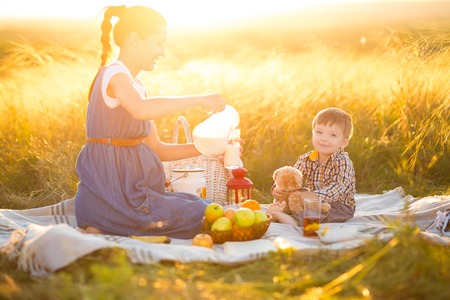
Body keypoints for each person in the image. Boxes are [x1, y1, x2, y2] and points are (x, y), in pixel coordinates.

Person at [74, 5, 229, 239]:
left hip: (134, 193)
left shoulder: (136, 86)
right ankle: (107, 220)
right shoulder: (115, 75)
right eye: (159, 43)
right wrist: (198, 99)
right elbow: (141, 110)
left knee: (198, 203)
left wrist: (210, 149)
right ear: (135, 39)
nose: (163, 52)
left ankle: (105, 224)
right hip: (115, 195)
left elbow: (157, 149)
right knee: (201, 212)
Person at [267, 107, 356, 226]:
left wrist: (312, 197)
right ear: (313, 133)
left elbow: (340, 187)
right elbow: (293, 178)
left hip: (338, 205)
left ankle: (296, 220)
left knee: (324, 213)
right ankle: (280, 213)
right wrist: (279, 189)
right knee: (292, 205)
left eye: (333, 135)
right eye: (319, 132)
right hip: (306, 201)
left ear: (344, 142)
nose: (324, 138)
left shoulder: (343, 161)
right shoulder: (306, 159)